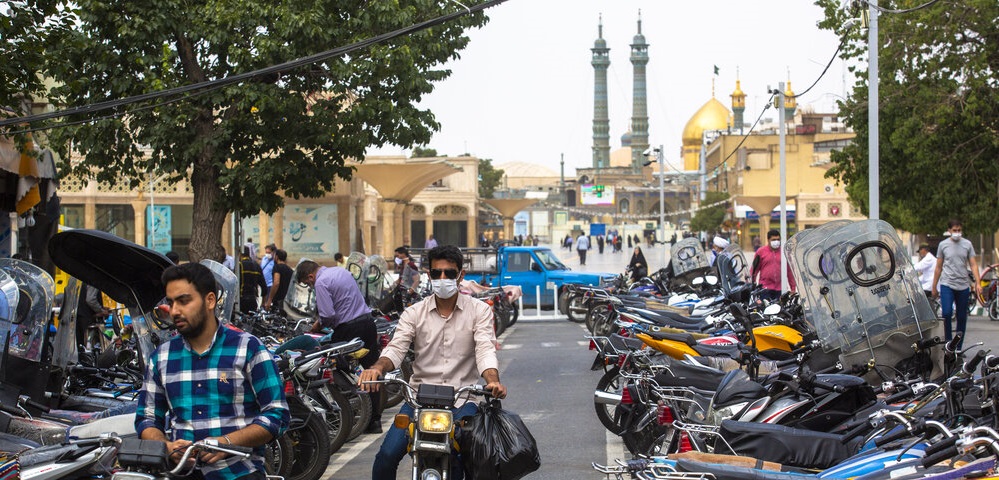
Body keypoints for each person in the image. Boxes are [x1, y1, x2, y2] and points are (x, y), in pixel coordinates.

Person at [357, 245, 506, 480]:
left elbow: (485, 348)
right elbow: (396, 348)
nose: (443, 278)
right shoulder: (414, 312)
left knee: (473, 458)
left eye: (449, 273)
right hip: (418, 400)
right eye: (437, 273)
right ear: (429, 274)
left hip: (463, 399)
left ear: (461, 275)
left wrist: (492, 380)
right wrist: (377, 368)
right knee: (386, 457)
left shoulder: (479, 311)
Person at [135, 262, 289, 480]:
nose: (175, 311)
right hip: (181, 473)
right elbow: (147, 418)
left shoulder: (248, 348)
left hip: (239, 472)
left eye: (184, 301)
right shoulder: (162, 357)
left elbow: (277, 415)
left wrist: (227, 442)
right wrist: (167, 447)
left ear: (210, 300)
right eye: (170, 302)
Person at [295, 259, 383, 433]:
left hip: (348, 329)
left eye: (308, 283)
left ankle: (345, 411)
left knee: (333, 367)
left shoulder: (321, 282)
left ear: (310, 276)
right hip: (367, 323)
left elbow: (327, 314)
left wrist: (318, 325)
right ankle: (375, 421)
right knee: (371, 371)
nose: (311, 286)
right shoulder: (340, 271)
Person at [932, 220, 981, 349]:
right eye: (954, 230)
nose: (957, 233)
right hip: (947, 283)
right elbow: (938, 267)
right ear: (949, 231)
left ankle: (958, 347)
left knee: (961, 316)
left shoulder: (967, 244)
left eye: (959, 230)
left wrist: (978, 283)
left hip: (963, 285)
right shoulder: (943, 245)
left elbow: (973, 264)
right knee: (946, 313)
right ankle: (949, 343)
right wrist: (934, 286)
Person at [751, 229, 795, 303]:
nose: (776, 242)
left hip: (781, 289)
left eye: (778, 239)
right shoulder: (761, 252)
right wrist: (752, 287)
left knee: (779, 312)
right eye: (774, 239)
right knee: (766, 312)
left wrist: (793, 288)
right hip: (765, 289)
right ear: (768, 240)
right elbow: (754, 270)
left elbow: (789, 271)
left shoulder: (784, 253)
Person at [263, 249, 293, 314]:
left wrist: (270, 299)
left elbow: (276, 283)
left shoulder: (277, 267)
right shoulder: (290, 270)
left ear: (276, 257)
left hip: (278, 301)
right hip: (287, 301)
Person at [238, 247, 267, 313]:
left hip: (241, 300)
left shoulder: (239, 265)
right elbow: (264, 286)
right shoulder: (256, 265)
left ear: (240, 254)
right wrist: (263, 303)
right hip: (253, 300)